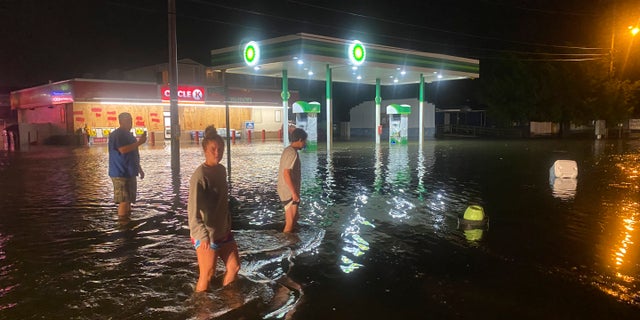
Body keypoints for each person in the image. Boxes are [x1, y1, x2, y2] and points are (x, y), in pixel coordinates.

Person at [188, 125, 240, 292]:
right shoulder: (200, 176)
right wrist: (202, 236)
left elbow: (223, 202)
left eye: (221, 148)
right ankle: (202, 310)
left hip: (223, 231)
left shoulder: (222, 170)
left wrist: (228, 222)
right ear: (205, 150)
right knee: (207, 274)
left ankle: (228, 301)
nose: (217, 152)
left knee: (234, 267)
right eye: (213, 149)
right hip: (206, 235)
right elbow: (192, 211)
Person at [108, 112, 146, 218]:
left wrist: (139, 168)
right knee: (123, 200)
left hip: (130, 171)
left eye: (130, 120)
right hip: (120, 172)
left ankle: (127, 221)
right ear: (121, 122)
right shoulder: (117, 134)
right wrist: (140, 142)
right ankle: (122, 225)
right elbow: (123, 149)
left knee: (129, 200)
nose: (130, 123)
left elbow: (133, 153)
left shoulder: (129, 135)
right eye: (127, 121)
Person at [277, 128, 307, 233]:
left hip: (284, 189)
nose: (305, 143)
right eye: (304, 141)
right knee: (290, 223)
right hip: (288, 192)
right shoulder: (292, 153)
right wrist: (294, 193)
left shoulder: (287, 150)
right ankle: (285, 246)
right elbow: (286, 173)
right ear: (299, 140)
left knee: (295, 218)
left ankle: (294, 241)